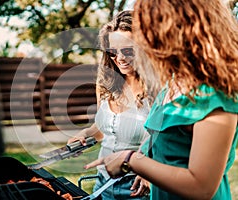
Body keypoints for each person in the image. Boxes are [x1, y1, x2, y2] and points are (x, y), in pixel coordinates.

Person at [84, 0, 238, 199]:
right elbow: (157, 138)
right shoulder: (173, 82)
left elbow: (202, 187)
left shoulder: (216, 94)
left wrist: (131, 159)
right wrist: (145, 161)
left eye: (149, 28)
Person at [67, 10, 152, 199]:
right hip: (102, 183)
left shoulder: (159, 90)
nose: (120, 58)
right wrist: (86, 133)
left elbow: (164, 140)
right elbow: (102, 129)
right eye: (113, 52)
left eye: (128, 51)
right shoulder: (106, 84)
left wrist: (150, 172)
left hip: (139, 186)